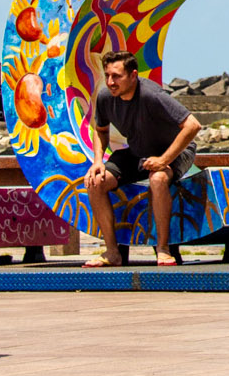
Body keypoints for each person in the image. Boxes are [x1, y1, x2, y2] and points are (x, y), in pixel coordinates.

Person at [82, 52, 201, 267]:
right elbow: (100, 131)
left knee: (158, 179)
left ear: (133, 75)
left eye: (117, 76)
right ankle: (112, 252)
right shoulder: (105, 97)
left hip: (175, 151)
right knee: (95, 181)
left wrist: (164, 160)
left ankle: (163, 250)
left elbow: (193, 126)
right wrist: (97, 160)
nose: (110, 82)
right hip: (138, 151)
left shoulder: (151, 95)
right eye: (107, 75)